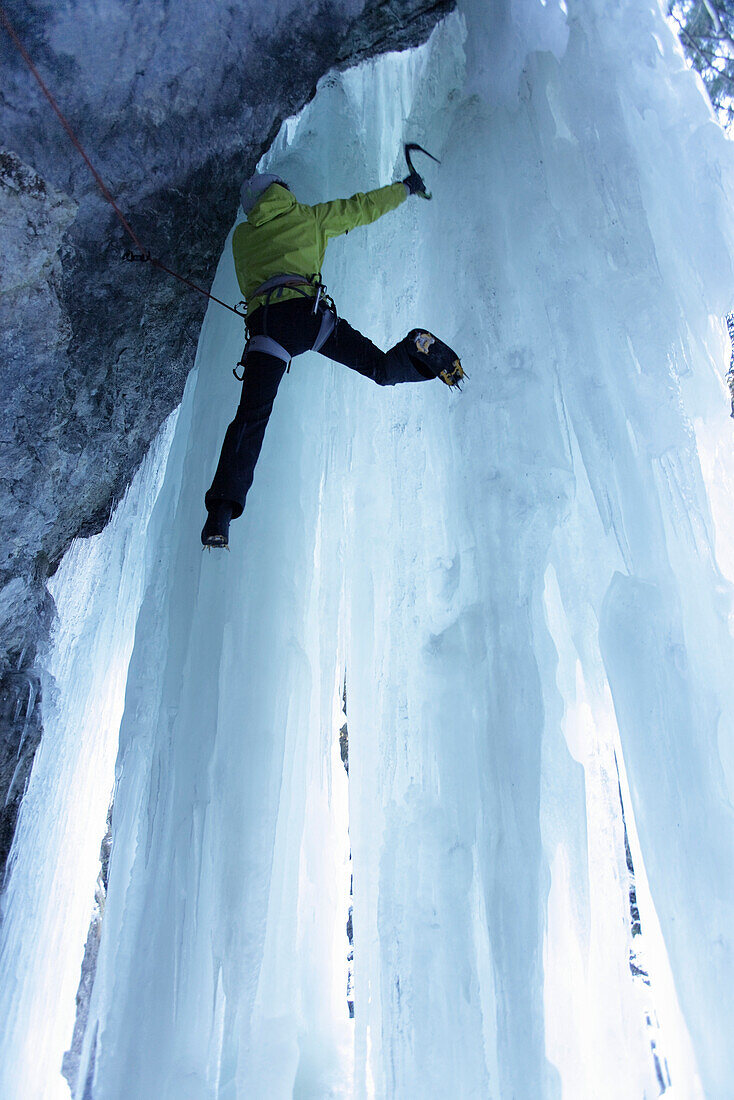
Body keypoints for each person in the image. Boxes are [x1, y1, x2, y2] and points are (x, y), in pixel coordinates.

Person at [202, 168, 464, 548]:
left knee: (250, 420)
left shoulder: (241, 238)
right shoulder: (310, 217)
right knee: (380, 369)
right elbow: (363, 208)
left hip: (269, 329)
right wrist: (406, 188)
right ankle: (418, 352)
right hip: (310, 319)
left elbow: (248, 282)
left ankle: (220, 516)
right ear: (281, 191)